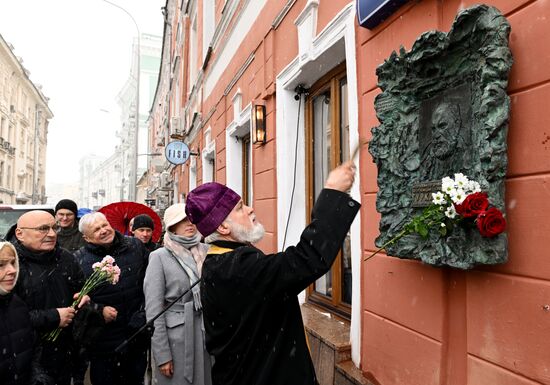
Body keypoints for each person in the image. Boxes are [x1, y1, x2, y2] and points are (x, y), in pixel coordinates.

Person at [184, 161, 359, 385]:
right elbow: (307, 260)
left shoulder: (219, 261)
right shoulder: (237, 268)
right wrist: (334, 193)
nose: (250, 209)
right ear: (223, 228)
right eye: (239, 208)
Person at [12, 210, 90, 385]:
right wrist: (53, 317)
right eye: (43, 229)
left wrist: (83, 298)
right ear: (20, 233)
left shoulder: (66, 258)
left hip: (64, 354)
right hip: (26, 357)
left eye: (54, 228)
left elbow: (81, 289)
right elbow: (10, 318)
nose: (52, 234)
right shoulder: (10, 263)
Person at [75, 212, 149, 385]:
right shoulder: (78, 260)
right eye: (96, 229)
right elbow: (76, 299)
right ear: (86, 237)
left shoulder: (135, 246)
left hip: (135, 333)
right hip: (103, 340)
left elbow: (152, 283)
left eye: (105, 225)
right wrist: (98, 310)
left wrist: (143, 313)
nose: (104, 230)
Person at [144, 203, 212, 385]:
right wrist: (162, 353)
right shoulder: (159, 256)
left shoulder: (207, 251)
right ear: (172, 226)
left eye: (192, 219)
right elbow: (153, 309)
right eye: (182, 220)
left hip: (206, 333)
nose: (189, 223)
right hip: (176, 338)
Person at [0, 241, 44, 385]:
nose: (12, 270)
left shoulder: (16, 303)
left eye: (13, 263)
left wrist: (36, 376)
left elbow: (32, 347)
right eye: (1, 265)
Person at [420, 101, 470, 181]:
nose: (436, 136)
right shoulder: (427, 159)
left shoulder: (468, 154)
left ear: (457, 125)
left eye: (442, 126)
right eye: (433, 129)